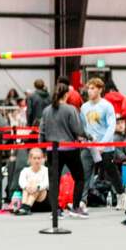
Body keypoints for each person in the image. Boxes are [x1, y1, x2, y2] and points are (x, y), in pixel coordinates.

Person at [39, 83, 87, 218]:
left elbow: (41, 131)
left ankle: (56, 210)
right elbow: (77, 129)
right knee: (80, 178)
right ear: (66, 95)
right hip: (70, 149)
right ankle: (76, 207)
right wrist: (87, 136)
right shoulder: (70, 109)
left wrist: (42, 149)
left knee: (54, 181)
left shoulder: (46, 110)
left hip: (52, 149)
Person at [80, 78, 126, 210]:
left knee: (111, 172)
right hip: (89, 146)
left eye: (93, 88)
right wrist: (84, 140)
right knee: (84, 173)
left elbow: (111, 127)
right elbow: (84, 126)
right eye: (89, 88)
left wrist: (103, 144)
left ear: (100, 89)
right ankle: (82, 200)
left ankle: (121, 194)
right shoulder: (84, 107)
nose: (90, 91)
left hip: (105, 147)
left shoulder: (107, 106)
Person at [15, 148, 50, 215]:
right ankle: (24, 207)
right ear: (30, 159)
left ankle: (25, 208)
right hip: (28, 199)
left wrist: (37, 187)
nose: (37, 161)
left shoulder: (46, 170)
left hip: (43, 202)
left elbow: (46, 183)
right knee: (27, 185)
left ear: (42, 159)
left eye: (39, 158)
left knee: (35, 184)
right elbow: (21, 182)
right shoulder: (25, 170)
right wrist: (27, 187)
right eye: (34, 158)